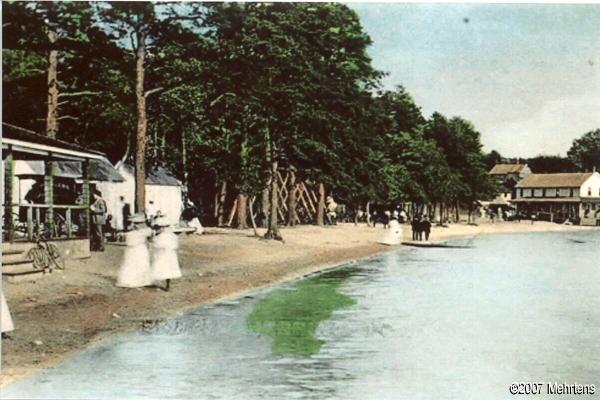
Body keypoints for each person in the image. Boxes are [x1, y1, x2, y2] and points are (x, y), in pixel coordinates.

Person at [117, 213, 153, 288]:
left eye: (139, 223)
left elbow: (150, 235)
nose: (137, 225)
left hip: (140, 249)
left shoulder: (144, 231)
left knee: (140, 264)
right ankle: (133, 280)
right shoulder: (132, 233)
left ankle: (141, 280)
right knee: (132, 264)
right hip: (135, 250)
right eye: (136, 223)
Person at [150, 216, 182, 291]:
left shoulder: (163, 236)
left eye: (159, 228)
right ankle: (167, 283)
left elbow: (157, 245)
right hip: (168, 254)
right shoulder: (170, 235)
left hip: (165, 254)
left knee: (165, 268)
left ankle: (167, 284)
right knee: (167, 269)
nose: (158, 229)